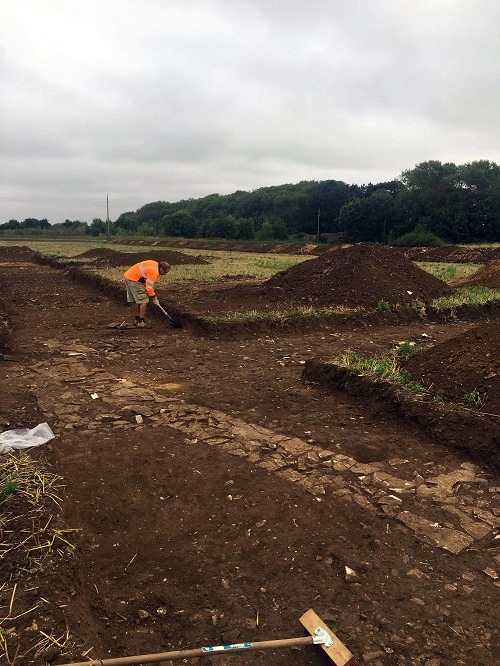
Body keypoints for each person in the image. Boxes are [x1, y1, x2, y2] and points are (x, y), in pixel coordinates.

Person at [123, 260, 171, 327]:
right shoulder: (154, 273)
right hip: (134, 280)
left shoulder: (154, 264)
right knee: (144, 301)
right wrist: (154, 297)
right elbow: (149, 288)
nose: (164, 274)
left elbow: (145, 278)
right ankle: (141, 322)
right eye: (164, 272)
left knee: (134, 300)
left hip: (128, 276)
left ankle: (136, 320)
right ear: (161, 268)